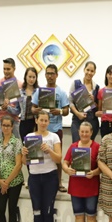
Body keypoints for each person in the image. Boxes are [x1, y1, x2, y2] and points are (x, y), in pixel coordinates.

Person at [22, 110, 61, 222]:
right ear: (36, 120)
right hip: (34, 177)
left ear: (49, 122)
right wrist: (24, 154)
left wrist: (49, 150)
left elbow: (58, 159)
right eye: (41, 120)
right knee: (36, 211)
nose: (43, 123)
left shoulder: (54, 137)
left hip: (50, 177)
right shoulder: (29, 137)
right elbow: (24, 162)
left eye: (46, 120)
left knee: (48, 211)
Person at [63, 121, 100, 222]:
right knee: (78, 216)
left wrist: (94, 172)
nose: (84, 134)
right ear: (79, 132)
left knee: (91, 216)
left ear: (91, 133)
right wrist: (67, 169)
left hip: (91, 186)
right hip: (76, 186)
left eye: (87, 132)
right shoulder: (73, 146)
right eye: (82, 131)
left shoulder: (97, 147)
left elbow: (102, 166)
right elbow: (65, 162)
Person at [31, 64, 70, 192]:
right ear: (45, 75)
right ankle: (36, 181)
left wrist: (59, 111)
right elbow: (32, 108)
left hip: (56, 129)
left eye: (52, 73)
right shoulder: (39, 92)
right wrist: (36, 110)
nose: (50, 76)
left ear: (57, 75)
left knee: (57, 157)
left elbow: (66, 111)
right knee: (38, 155)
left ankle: (59, 183)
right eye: (48, 73)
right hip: (41, 130)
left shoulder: (61, 92)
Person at [70, 61, 100, 143]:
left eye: (92, 71)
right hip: (77, 120)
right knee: (77, 145)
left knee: (89, 145)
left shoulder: (96, 87)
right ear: (84, 70)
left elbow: (98, 107)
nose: (89, 73)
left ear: (94, 72)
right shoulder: (76, 84)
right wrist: (77, 113)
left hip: (92, 121)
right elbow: (70, 102)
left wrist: (93, 101)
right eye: (88, 70)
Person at [0, 57, 22, 138]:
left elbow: (20, 108)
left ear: (14, 69)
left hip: (14, 121)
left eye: (8, 69)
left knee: (16, 144)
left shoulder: (20, 85)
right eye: (4, 69)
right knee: (0, 144)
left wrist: (8, 107)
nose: (6, 71)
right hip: (0, 120)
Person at [18, 67, 38, 141]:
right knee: (24, 145)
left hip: (35, 123)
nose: (31, 79)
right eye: (29, 77)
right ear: (25, 77)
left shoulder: (38, 92)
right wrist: (7, 107)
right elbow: (17, 110)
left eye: (33, 77)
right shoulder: (20, 92)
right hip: (24, 123)